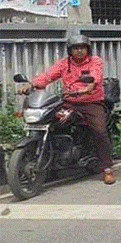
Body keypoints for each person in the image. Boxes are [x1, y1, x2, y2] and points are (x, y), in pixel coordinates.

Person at [21, 34, 115, 185]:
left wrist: (88, 87)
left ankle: (107, 168)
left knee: (100, 131)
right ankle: (51, 162)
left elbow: (95, 76)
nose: (79, 51)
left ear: (87, 49)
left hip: (91, 102)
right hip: (69, 102)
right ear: (70, 50)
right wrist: (31, 85)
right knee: (51, 123)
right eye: (75, 48)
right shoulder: (64, 64)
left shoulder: (95, 61)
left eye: (82, 48)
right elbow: (48, 76)